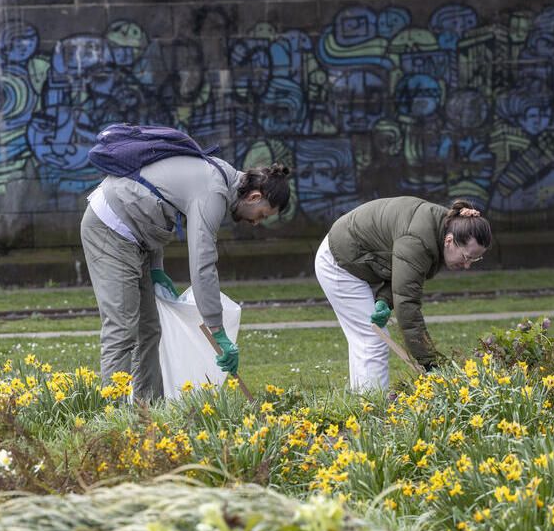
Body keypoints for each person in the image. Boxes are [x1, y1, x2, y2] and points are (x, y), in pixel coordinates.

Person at [81, 147, 291, 401]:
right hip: (110, 228)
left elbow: (156, 200)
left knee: (149, 330)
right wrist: (218, 330)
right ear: (254, 197)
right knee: (123, 328)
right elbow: (203, 266)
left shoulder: (220, 177)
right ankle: (111, 423)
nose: (257, 222)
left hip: (134, 234)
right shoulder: (214, 192)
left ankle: (148, 412)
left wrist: (156, 266)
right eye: (261, 215)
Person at [315, 197, 492, 392]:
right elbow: (407, 302)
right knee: (373, 339)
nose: (467, 266)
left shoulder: (444, 228)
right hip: (339, 260)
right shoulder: (419, 240)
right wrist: (428, 362)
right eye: (466, 257)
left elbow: (401, 274)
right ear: (449, 240)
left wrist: (384, 299)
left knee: (366, 338)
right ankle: (373, 410)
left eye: (474, 260)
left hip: (357, 257)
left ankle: (361, 404)